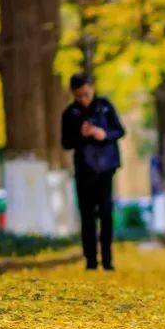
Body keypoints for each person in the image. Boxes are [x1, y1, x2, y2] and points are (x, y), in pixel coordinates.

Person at [61, 71, 125, 271]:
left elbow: (120, 130)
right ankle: (91, 261)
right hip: (84, 169)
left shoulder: (105, 106)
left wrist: (103, 134)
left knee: (106, 214)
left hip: (106, 168)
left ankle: (107, 260)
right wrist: (81, 135)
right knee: (87, 216)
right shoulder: (70, 113)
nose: (84, 99)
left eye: (86, 94)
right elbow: (66, 143)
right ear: (73, 93)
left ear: (92, 88)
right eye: (79, 95)